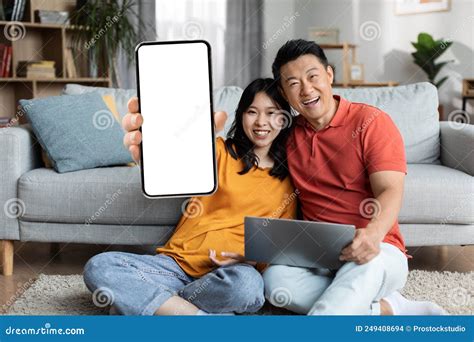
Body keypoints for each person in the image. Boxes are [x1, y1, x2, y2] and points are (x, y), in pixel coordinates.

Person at [83, 78, 297, 315]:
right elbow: (173, 159)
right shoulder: (218, 150)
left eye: (271, 113)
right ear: (241, 115)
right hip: (175, 266)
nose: (261, 122)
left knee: (248, 287)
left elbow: (274, 251)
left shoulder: (289, 181)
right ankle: (192, 316)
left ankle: (160, 306)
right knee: (99, 267)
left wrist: (249, 260)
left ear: (284, 119)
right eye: (252, 112)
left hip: (230, 274)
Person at [262, 39, 446, 316]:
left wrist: (372, 235)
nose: (307, 89)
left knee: (362, 270)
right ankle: (391, 308)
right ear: (283, 92)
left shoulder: (371, 122)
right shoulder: (287, 136)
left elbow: (390, 190)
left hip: (378, 247)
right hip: (318, 255)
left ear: (329, 75)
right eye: (294, 83)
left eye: (313, 76)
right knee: (274, 281)